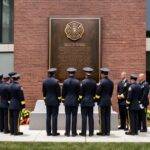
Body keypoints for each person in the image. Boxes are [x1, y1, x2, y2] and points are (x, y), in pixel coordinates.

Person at [42, 68, 61, 136]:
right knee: (54, 117)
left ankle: (48, 132)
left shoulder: (44, 81)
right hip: (55, 101)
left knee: (48, 116)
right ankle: (54, 132)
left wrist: (45, 99)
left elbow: (44, 92)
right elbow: (58, 93)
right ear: (54, 74)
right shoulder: (56, 81)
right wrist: (59, 100)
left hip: (47, 101)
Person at [62, 67, 80, 137]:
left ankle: (67, 133)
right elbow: (79, 93)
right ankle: (74, 133)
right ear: (74, 73)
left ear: (68, 73)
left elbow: (63, 93)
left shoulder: (65, 81)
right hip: (75, 101)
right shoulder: (77, 82)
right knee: (74, 117)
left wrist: (63, 101)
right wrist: (78, 101)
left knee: (68, 116)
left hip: (67, 101)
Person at [96, 67, 114, 136]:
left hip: (102, 102)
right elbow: (111, 93)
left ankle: (102, 131)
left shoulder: (102, 82)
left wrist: (97, 100)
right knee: (107, 117)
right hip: (108, 102)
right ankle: (108, 131)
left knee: (102, 117)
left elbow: (98, 92)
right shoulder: (111, 82)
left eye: (101, 73)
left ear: (102, 74)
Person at [79, 67, 97, 136]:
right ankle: (91, 132)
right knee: (90, 117)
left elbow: (81, 93)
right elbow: (95, 93)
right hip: (91, 102)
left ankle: (83, 132)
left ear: (86, 74)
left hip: (84, 102)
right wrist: (94, 100)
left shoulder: (83, 82)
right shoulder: (94, 82)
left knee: (84, 118)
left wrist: (80, 100)